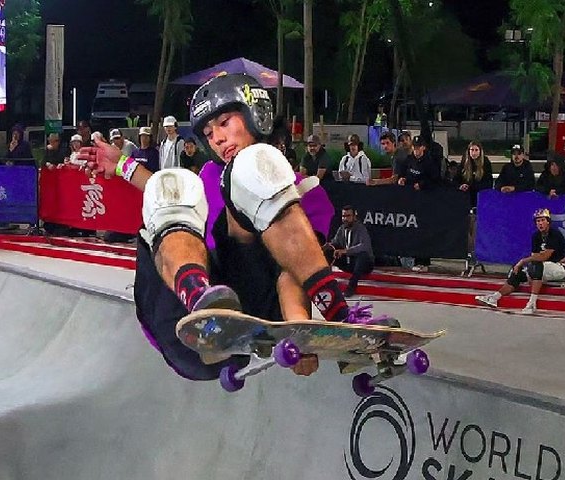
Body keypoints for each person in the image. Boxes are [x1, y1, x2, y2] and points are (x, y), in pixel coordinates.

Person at [78, 73, 383, 381]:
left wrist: (300, 329)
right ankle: (200, 297)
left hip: (255, 306)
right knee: (177, 182)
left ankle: (339, 312)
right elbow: (166, 197)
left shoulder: (308, 193)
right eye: (209, 133)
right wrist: (121, 165)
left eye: (224, 123)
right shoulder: (210, 174)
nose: (217, 138)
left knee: (250, 176)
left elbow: (292, 272)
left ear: (257, 116)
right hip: (180, 314)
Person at [475, 208, 565, 314]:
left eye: (542, 220)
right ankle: (494, 298)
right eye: (538, 221)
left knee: (535, 265)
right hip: (543, 267)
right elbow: (535, 256)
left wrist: (523, 261)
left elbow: (544, 257)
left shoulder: (555, 234)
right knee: (518, 271)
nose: (540, 223)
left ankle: (532, 304)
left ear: (548, 221)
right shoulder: (536, 236)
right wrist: (527, 270)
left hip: (558, 267)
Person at [398, 135, 440, 273]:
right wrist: (402, 179)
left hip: (425, 200)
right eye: (414, 148)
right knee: (412, 229)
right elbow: (402, 173)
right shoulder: (409, 160)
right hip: (411, 200)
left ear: (423, 147)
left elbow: (436, 179)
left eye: (418, 147)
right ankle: (413, 258)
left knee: (423, 229)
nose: (416, 150)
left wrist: (422, 184)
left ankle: (424, 260)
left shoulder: (429, 162)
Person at [323, 206, 375, 297]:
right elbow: (335, 242)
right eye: (343, 216)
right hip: (348, 264)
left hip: (362, 266)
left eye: (348, 216)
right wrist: (327, 246)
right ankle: (326, 280)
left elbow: (364, 246)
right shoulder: (342, 228)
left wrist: (346, 251)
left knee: (363, 255)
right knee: (328, 251)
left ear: (354, 216)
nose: (345, 219)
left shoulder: (361, 228)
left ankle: (351, 287)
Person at [452, 140, 493, 206]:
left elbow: (488, 182)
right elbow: (456, 179)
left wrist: (473, 187)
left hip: (480, 195)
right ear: (469, 151)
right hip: (466, 195)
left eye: (476, 150)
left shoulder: (485, 162)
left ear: (480, 151)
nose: (474, 153)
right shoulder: (464, 161)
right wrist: (460, 186)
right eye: (472, 150)